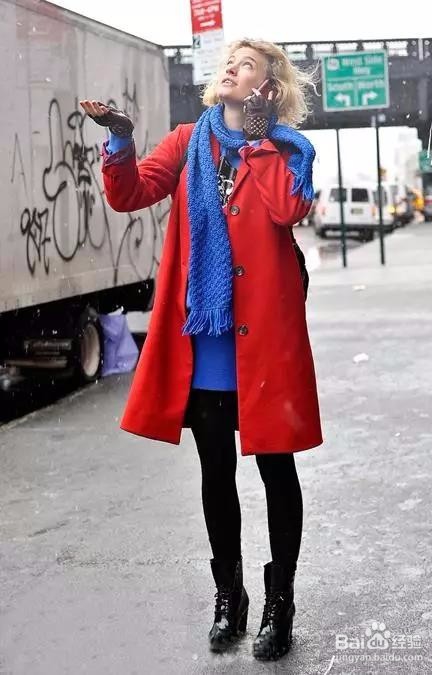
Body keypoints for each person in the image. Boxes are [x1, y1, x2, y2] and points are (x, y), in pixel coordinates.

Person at [80, 37, 323, 662]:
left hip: (265, 341)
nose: (231, 71)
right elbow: (129, 194)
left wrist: (259, 137)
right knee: (216, 473)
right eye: (229, 64)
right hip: (208, 339)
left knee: (276, 472)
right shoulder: (189, 141)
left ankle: (279, 603)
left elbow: (286, 209)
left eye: (247, 66)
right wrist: (122, 140)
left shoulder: (289, 150)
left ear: (268, 87)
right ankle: (229, 597)